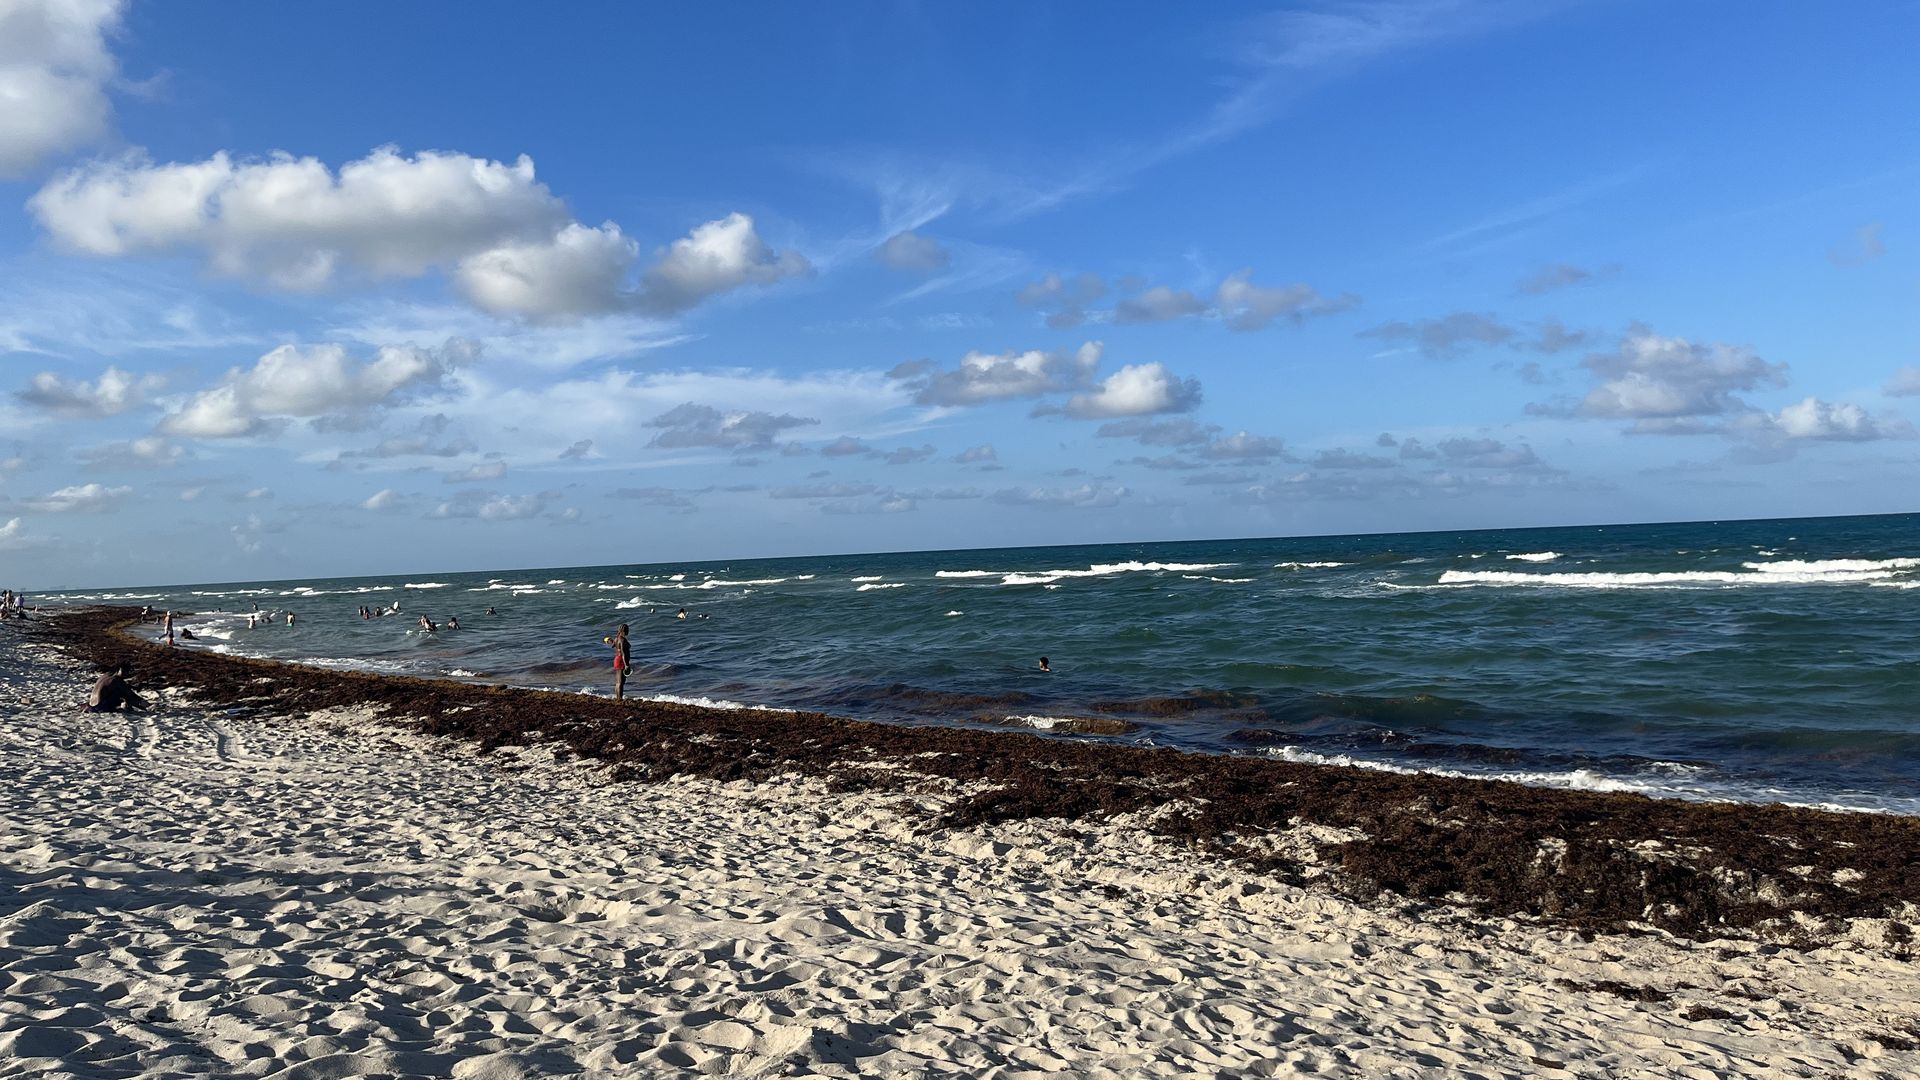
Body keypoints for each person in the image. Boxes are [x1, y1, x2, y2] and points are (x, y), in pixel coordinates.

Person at [605, 623, 631, 699]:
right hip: (621, 660)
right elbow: (623, 653)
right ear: (624, 630)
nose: (628, 631)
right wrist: (626, 665)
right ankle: (619, 699)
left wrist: (609, 640)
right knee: (620, 682)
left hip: (617, 659)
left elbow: (613, 645)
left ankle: (618, 698)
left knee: (618, 682)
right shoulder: (622, 640)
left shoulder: (617, 638)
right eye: (627, 629)